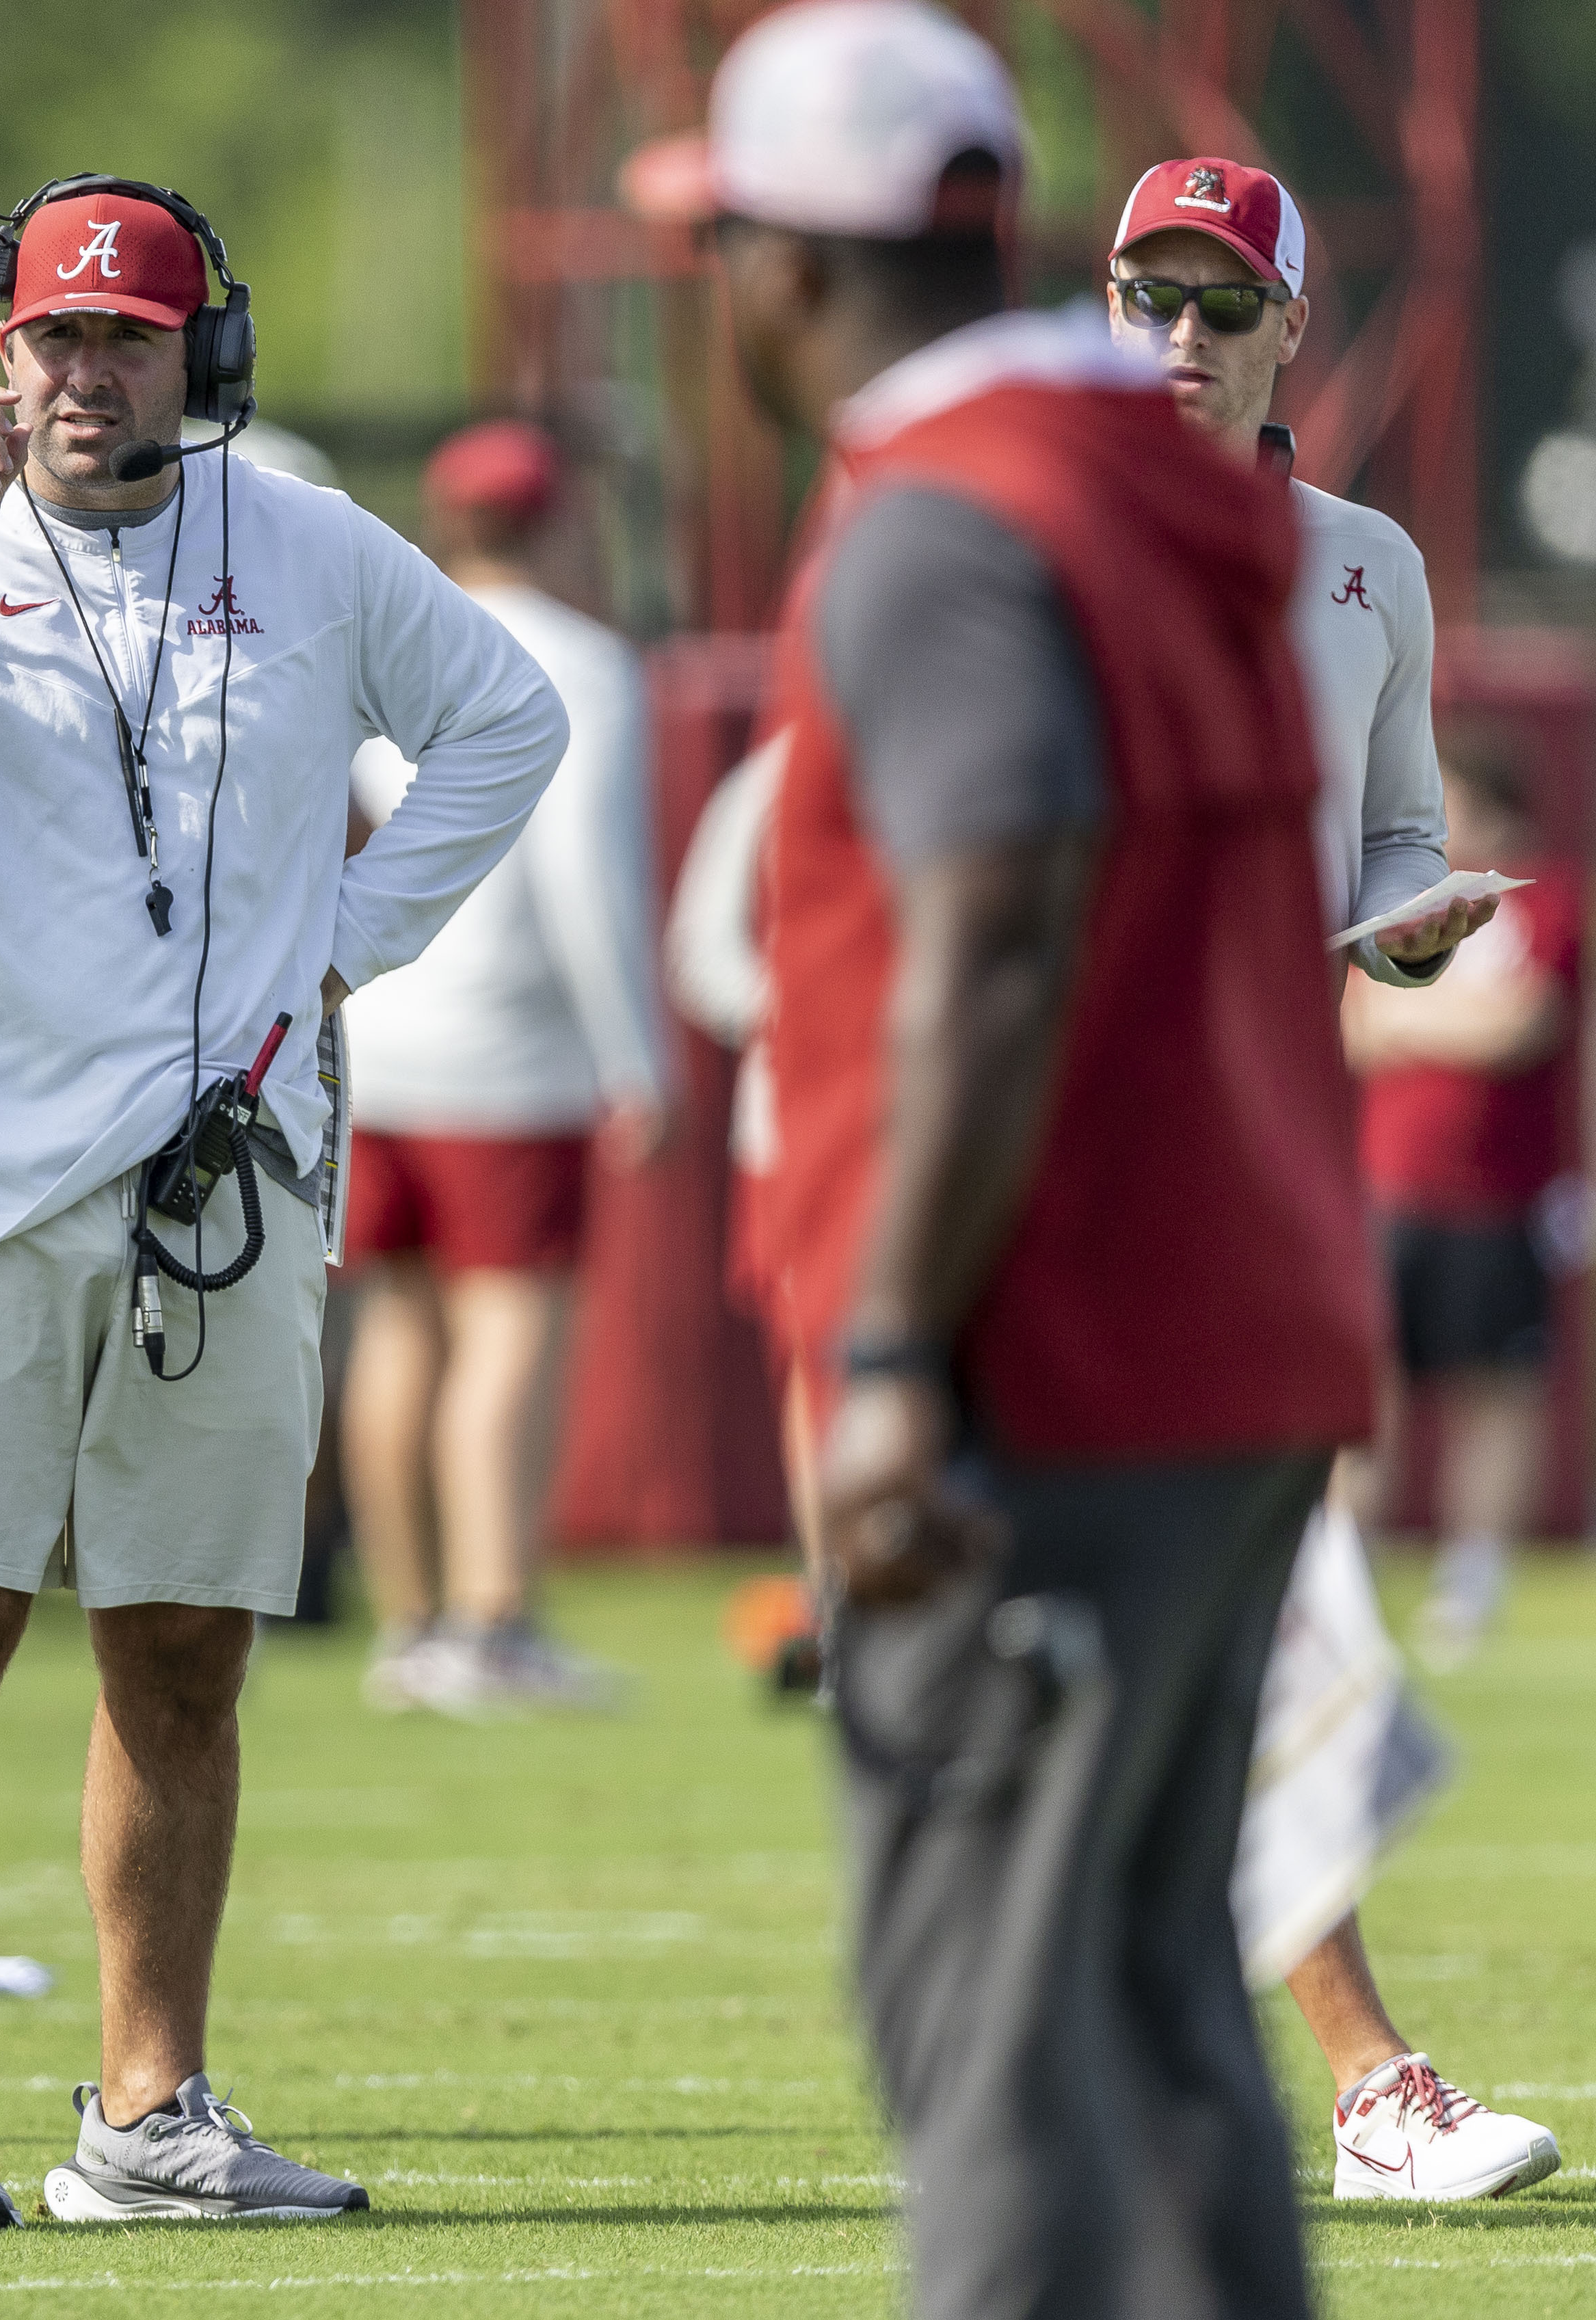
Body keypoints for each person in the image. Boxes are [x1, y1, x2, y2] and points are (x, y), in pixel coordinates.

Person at [0, 174, 566, 2233]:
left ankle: (149, 2112)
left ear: (202, 348)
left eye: (127, 333)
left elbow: (505, 721)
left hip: (219, 1178)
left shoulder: (300, 536)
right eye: (51, 333)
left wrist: (347, 944)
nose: (85, 370)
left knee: (183, 1651)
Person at [654, 3, 1384, 2307]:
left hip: (1054, 1351)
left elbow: (987, 930)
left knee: (981, 2016)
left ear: (776, 264)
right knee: (1162, 1996)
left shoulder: (947, 513)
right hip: (1246, 1321)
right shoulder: (1204, 496)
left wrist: (879, 1347)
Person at [1108, 157, 1562, 2204]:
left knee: (1254, 1609)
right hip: (1043, 1151)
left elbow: (1387, 833)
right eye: (1150, 298)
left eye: (1222, 306)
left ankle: (1321, 2072)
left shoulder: (1362, 562)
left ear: (1294, 326)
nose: (1182, 341)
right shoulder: (1012, 535)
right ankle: (1327, 2070)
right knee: (1205, 1618)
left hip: (1250, 1153)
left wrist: (1411, 922)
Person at [341, 421, 665, 1718]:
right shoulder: (586, 662)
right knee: (507, 1327)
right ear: (555, 523)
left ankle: (406, 1622)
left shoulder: (389, 645)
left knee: (396, 1327)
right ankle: (493, 1616)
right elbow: (586, 872)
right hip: (509, 1048)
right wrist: (635, 1056)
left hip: (376, 1027)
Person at [1348, 747, 1575, 1659]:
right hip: (1387, 1190)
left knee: (1497, 1392)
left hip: (1499, 1202)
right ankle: (1347, 1579)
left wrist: (1413, 1026)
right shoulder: (1397, 913)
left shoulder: (1547, 903)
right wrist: (1426, 1025)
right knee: (1369, 1394)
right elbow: (1358, 1025)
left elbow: (1525, 1022)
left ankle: (1470, 1583)